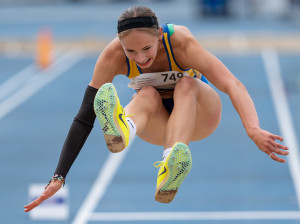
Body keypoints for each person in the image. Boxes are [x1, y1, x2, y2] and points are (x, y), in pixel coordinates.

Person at [24, 5, 289, 211]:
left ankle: (170, 161)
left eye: (146, 49)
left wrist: (252, 128)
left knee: (186, 83)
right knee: (147, 92)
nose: (140, 58)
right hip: (156, 124)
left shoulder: (181, 42)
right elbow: (84, 117)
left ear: (160, 35)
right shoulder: (112, 55)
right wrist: (59, 176)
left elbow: (232, 84)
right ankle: (124, 130)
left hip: (200, 114)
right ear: (119, 43)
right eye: (131, 52)